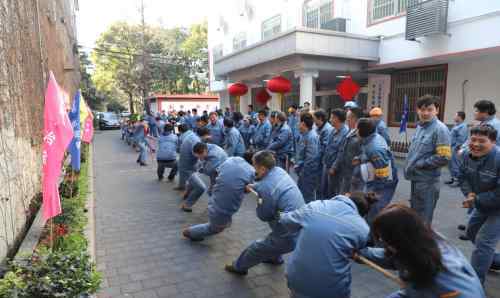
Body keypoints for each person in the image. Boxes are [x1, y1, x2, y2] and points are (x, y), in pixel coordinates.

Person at [359, 204, 485, 298]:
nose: (382, 242)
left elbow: (417, 292)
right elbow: (394, 258)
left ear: (398, 239)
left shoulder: (437, 273)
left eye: (384, 239)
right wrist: (360, 254)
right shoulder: (421, 242)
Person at [280, 192, 376, 298]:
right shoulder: (362, 229)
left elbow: (286, 220)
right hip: (332, 290)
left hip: (296, 280)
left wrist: (280, 213)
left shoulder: (315, 206)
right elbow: (361, 248)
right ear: (362, 214)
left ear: (347, 195)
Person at [225, 151, 305, 275]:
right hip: (298, 222)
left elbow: (264, 215)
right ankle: (275, 257)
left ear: (262, 168)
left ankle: (239, 267)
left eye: (254, 166)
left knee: (256, 248)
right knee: (276, 228)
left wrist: (259, 200)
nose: (253, 169)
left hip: (289, 232)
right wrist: (254, 186)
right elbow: (269, 186)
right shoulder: (279, 170)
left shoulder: (266, 188)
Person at [457, 124, 500, 284]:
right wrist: (469, 194)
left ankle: (474, 285)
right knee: (471, 232)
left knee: (483, 242)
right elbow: (462, 177)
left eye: (481, 141)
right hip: (482, 203)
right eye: (473, 140)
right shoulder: (467, 155)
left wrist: (475, 199)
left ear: (493, 142)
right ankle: (494, 261)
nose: (475, 144)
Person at [182, 155, 255, 241]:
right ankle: (190, 232)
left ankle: (214, 224)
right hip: (224, 206)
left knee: (221, 220)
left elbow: (217, 172)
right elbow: (247, 190)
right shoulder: (251, 170)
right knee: (215, 229)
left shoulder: (231, 160)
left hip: (215, 196)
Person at [404, 95, 451, 225]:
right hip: (416, 178)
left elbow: (444, 157)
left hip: (427, 181)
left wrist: (420, 164)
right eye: (422, 109)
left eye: (429, 109)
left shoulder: (440, 129)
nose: (425, 113)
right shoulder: (421, 127)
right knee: (415, 215)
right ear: (417, 110)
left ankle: (422, 244)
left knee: (423, 218)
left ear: (437, 110)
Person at [355, 118, 398, 225]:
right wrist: (360, 159)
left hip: (382, 185)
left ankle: (374, 239)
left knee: (374, 212)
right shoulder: (370, 139)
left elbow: (383, 176)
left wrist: (373, 193)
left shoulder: (375, 148)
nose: (355, 131)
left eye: (356, 129)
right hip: (373, 180)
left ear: (361, 131)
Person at [180, 142, 228, 212]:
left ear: (204, 151)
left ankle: (213, 206)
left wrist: (199, 168)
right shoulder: (206, 146)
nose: (199, 158)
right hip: (215, 168)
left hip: (221, 171)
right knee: (196, 180)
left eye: (200, 156)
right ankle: (188, 193)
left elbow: (207, 171)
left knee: (207, 188)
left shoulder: (214, 156)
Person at [332, 107, 363, 194]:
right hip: (345, 172)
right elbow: (342, 151)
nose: (346, 120)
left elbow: (364, 154)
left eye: (348, 117)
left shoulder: (361, 135)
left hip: (354, 175)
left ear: (354, 118)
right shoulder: (349, 132)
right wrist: (335, 166)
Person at [322, 109, 349, 198]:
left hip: (336, 170)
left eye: (332, 117)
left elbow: (341, 153)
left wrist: (334, 167)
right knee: (325, 190)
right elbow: (328, 148)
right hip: (327, 165)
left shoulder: (345, 133)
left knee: (333, 193)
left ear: (337, 119)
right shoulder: (333, 130)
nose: (330, 120)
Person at [295, 112, 321, 203]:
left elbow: (311, 158)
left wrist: (302, 170)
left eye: (299, 122)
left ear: (303, 124)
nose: (297, 125)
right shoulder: (304, 135)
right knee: (301, 196)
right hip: (303, 173)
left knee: (307, 198)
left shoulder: (311, 137)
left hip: (308, 174)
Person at [313, 110, 334, 199]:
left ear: (320, 119)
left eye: (315, 120)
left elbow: (324, 148)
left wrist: (314, 157)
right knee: (318, 185)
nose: (314, 122)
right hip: (318, 161)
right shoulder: (319, 128)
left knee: (322, 187)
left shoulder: (327, 130)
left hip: (323, 162)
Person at [445, 111, 468, 185]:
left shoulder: (463, 126)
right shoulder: (457, 125)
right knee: (451, 164)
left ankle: (457, 180)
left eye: (455, 116)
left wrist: (455, 148)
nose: (454, 117)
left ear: (459, 117)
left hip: (456, 148)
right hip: (451, 147)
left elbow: (461, 140)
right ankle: (453, 178)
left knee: (456, 164)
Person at [176, 124, 201, 191]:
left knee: (189, 174)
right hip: (190, 157)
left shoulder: (183, 137)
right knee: (184, 172)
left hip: (188, 158)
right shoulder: (192, 134)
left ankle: (193, 187)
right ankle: (182, 186)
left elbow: (178, 148)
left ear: (180, 131)